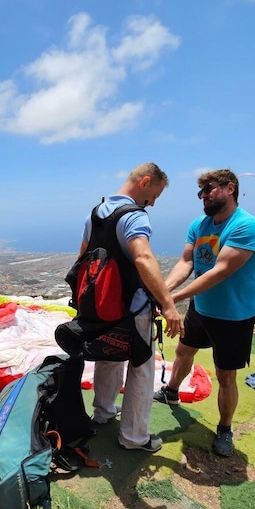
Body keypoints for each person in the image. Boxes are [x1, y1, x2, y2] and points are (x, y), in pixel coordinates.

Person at [153, 168, 255, 458]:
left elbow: (220, 272)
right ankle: (171, 391)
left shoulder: (246, 226)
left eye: (209, 189)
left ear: (230, 188)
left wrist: (172, 298)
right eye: (200, 192)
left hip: (233, 316)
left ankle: (225, 429)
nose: (203, 196)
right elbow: (186, 262)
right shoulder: (200, 225)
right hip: (201, 307)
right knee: (183, 351)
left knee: (225, 375)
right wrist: (163, 291)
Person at [82, 162, 183, 453]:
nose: (152, 203)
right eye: (154, 196)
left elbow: (82, 259)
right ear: (145, 182)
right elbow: (143, 259)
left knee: (109, 357)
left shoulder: (95, 213)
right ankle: (134, 436)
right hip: (133, 308)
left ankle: (102, 412)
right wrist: (167, 304)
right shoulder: (135, 217)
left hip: (101, 306)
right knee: (141, 368)